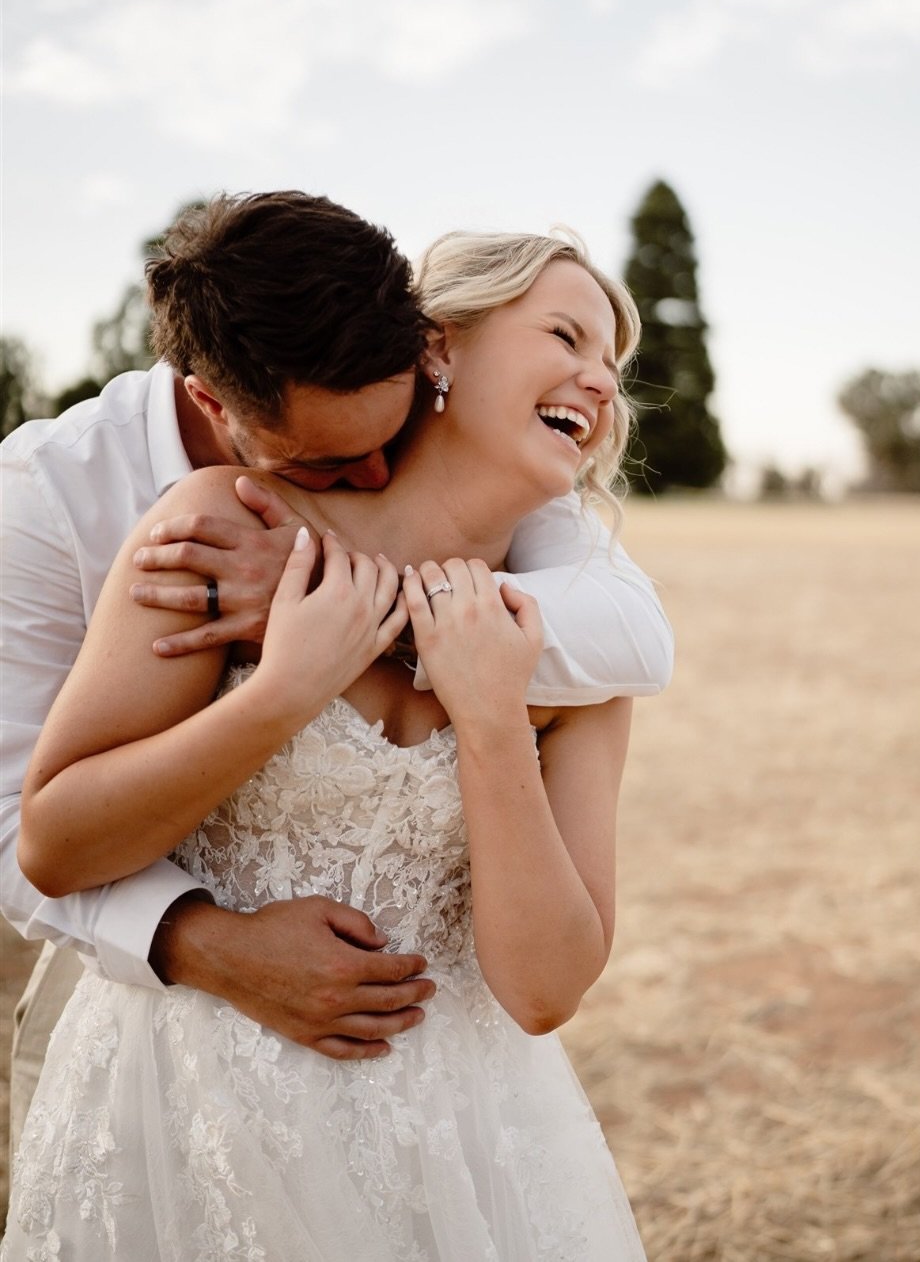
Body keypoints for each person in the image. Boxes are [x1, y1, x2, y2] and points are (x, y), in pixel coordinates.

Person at [6, 228, 650, 1259]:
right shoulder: (224, 524)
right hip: (189, 1109)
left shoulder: (576, 642)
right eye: (567, 334)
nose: (599, 381)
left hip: (460, 1135)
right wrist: (284, 691)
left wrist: (491, 724)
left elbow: (545, 991)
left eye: (615, 367)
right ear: (437, 349)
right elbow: (48, 843)